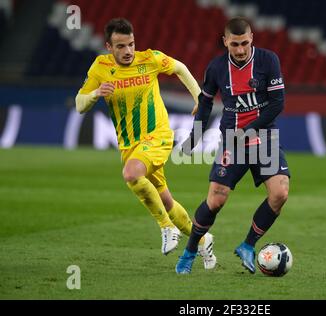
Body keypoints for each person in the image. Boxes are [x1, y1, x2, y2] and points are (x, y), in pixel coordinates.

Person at [75, 17, 216, 269]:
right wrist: (96, 93)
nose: (128, 51)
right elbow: (79, 104)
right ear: (108, 46)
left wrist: (199, 98)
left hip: (158, 136)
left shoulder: (149, 59)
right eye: (120, 46)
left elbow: (180, 67)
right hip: (131, 146)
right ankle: (204, 240)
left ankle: (166, 228)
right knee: (167, 202)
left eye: (130, 44)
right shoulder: (100, 68)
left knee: (131, 174)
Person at [175, 17, 290, 274]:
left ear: (252, 39)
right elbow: (205, 105)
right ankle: (191, 249)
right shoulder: (216, 68)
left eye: (245, 43)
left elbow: (276, 104)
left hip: (264, 136)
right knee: (216, 200)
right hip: (233, 140)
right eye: (235, 44)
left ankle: (248, 245)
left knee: (280, 193)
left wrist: (249, 130)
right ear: (225, 41)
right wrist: (194, 137)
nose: (240, 50)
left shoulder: (268, 60)